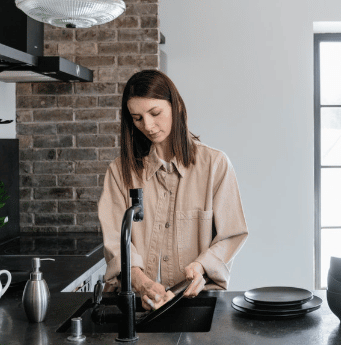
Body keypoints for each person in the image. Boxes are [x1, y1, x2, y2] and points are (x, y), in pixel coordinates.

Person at [98, 69, 248, 310]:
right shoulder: (119, 172)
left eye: (155, 113)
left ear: (175, 106)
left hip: (197, 302)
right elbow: (116, 240)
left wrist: (200, 267)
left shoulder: (215, 165)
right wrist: (141, 282)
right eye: (137, 118)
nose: (147, 125)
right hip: (135, 303)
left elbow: (231, 235)